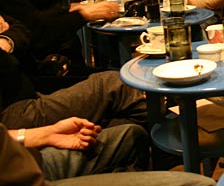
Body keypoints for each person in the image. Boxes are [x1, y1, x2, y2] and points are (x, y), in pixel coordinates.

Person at [0, 14, 151, 180]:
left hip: (28, 89)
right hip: (15, 117)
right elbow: (37, 27)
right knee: (115, 84)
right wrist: (45, 134)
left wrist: (7, 40)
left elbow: (20, 27)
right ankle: (171, 142)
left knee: (131, 132)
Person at [0, 122, 217, 186]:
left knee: (131, 136)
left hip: (28, 156)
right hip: (30, 180)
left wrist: (44, 134)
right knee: (198, 184)